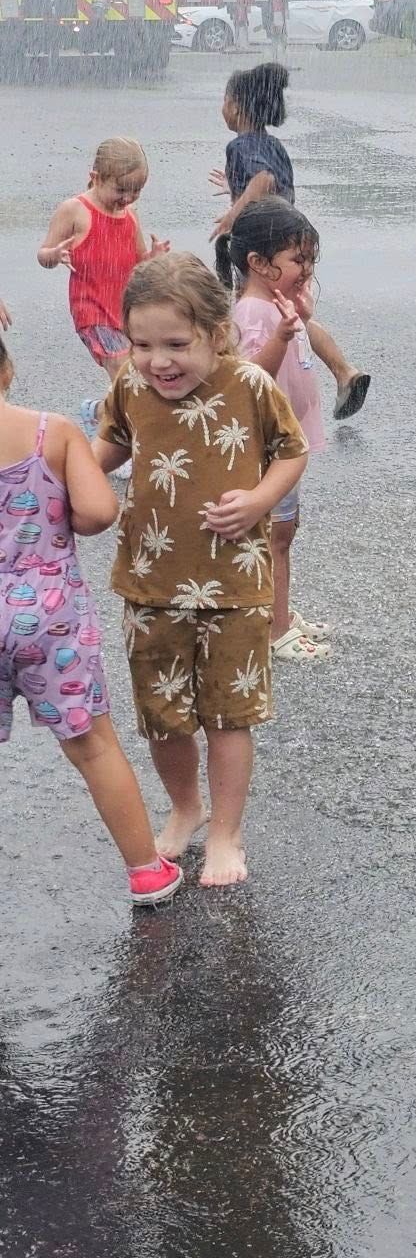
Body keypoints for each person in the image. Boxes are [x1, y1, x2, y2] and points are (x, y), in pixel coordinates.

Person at [95, 253, 308, 889]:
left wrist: (261, 499)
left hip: (236, 585)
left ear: (218, 334)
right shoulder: (131, 387)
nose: (159, 360)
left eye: (177, 344)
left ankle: (227, 829)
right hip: (151, 580)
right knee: (162, 714)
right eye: (142, 344)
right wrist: (57, 470)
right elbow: (110, 447)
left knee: (229, 714)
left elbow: (290, 453)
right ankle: (187, 808)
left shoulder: (250, 386)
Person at [0, 328, 182, 907]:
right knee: (92, 745)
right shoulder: (51, 432)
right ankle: (146, 871)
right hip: (49, 619)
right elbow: (100, 510)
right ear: (6, 369)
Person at [209, 61, 372, 422]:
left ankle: (250, 393)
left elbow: (263, 180)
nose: (221, 107)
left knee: (252, 316)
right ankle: (343, 371)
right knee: (291, 315)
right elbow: (271, 180)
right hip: (292, 243)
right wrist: (235, 188)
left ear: (236, 105)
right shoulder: (272, 143)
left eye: (223, 99)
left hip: (266, 249)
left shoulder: (240, 146)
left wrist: (231, 215)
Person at [229, 199, 331, 662]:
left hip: (285, 440)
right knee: (277, 535)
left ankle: (281, 614)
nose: (306, 268)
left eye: (310, 259)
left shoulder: (277, 304)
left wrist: (299, 320)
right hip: (269, 444)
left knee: (284, 531)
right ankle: (274, 630)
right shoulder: (253, 313)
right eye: (297, 260)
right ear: (258, 263)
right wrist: (283, 336)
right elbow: (251, 377)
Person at [37, 138, 168, 433]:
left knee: (139, 375)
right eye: (121, 189)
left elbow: (137, 263)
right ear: (96, 177)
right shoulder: (75, 210)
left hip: (124, 311)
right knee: (124, 372)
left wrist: (153, 258)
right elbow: (42, 253)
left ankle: (98, 411)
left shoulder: (130, 216)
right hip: (91, 308)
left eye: (137, 191)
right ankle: (121, 440)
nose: (128, 198)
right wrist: (55, 255)